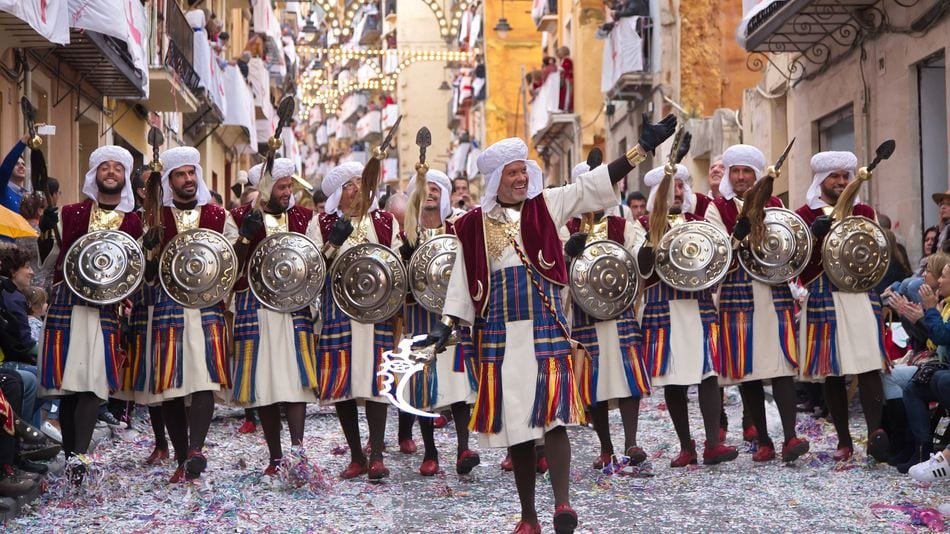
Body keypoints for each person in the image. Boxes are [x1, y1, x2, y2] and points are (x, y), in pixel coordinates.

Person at [414, 113, 676, 533]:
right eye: (513, 173)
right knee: (518, 427)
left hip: (546, 328)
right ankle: (528, 516)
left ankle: (562, 506)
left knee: (554, 418)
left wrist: (639, 150)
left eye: (523, 171)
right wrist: (446, 326)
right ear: (497, 177)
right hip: (499, 336)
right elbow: (463, 280)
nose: (521, 178)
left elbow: (591, 188)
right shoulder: (470, 225)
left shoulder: (547, 205)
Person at [37, 145, 143, 485]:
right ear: (94, 173)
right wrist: (44, 232)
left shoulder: (134, 222)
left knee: (92, 384)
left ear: (124, 177)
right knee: (70, 386)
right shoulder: (70, 213)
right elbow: (50, 260)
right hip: (68, 304)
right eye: (104, 167)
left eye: (117, 168)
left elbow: (133, 270)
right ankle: (72, 459)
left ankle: (79, 458)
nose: (111, 172)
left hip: (105, 311)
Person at [704, 144, 809, 462]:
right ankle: (763, 440)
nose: (740, 177)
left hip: (773, 290)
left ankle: (790, 437)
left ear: (755, 174)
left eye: (746, 171)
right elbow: (715, 252)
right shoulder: (716, 208)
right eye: (735, 171)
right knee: (746, 370)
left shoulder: (775, 204)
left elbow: (788, 245)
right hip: (736, 291)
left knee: (780, 366)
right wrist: (735, 236)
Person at [141, 147, 235, 483]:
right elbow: (147, 276)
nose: (189, 179)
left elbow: (230, 263)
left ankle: (196, 450)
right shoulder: (155, 218)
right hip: (168, 308)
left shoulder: (218, 216)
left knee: (205, 379)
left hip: (207, 307)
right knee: (171, 387)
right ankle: (182, 459)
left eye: (192, 172)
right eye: (180, 174)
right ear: (169, 180)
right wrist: (150, 251)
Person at [637, 163, 738, 468]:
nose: (678, 192)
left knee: (708, 373)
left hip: (698, 304)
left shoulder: (699, 221)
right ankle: (686, 446)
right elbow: (641, 268)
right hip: (662, 305)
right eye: (672, 187)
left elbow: (718, 260)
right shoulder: (641, 225)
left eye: (681, 186)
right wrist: (652, 236)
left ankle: (712, 444)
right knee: (673, 378)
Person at [795, 150, 890, 462]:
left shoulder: (864, 210)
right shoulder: (804, 214)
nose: (840, 182)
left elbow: (877, 251)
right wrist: (811, 235)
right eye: (833, 176)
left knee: (869, 363)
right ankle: (844, 441)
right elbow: (797, 264)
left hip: (860, 293)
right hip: (823, 291)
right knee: (833, 371)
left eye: (844, 176)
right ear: (821, 180)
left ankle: (876, 433)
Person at [312, 161, 403, 481]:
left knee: (378, 382)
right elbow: (312, 270)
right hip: (338, 309)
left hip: (377, 311)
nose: (356, 189)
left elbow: (395, 262)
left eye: (358, 183)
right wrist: (332, 243)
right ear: (339, 193)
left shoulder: (385, 220)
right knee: (343, 384)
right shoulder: (321, 223)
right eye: (349, 185)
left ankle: (376, 454)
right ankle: (355, 455)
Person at [228, 158, 319, 475]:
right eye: (282, 186)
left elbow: (315, 259)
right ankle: (275, 456)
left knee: (295, 381)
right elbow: (229, 270)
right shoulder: (238, 217)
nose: (288, 191)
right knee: (264, 384)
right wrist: (242, 238)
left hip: (295, 307)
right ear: (265, 189)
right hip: (255, 308)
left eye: (289, 184)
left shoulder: (305, 218)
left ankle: (297, 450)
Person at [563, 162, 652, 472]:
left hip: (620, 309)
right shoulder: (567, 228)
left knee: (628, 377)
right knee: (594, 383)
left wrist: (647, 252)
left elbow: (638, 254)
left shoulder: (622, 225)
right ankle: (605, 447)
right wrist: (566, 254)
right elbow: (555, 267)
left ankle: (631, 442)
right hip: (585, 314)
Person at [399, 169, 479, 476]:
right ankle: (430, 452)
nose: (430, 193)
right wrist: (405, 259)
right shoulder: (405, 233)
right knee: (423, 388)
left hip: (453, 314)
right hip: (420, 317)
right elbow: (396, 280)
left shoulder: (457, 228)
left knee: (457, 384)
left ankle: (463, 448)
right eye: (425, 189)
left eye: (435, 188)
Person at [0, 135, 31, 212]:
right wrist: (24, 140)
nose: (21, 166)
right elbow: (4, 170)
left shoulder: (29, 195)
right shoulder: (3, 189)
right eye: (16, 164)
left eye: (23, 164)